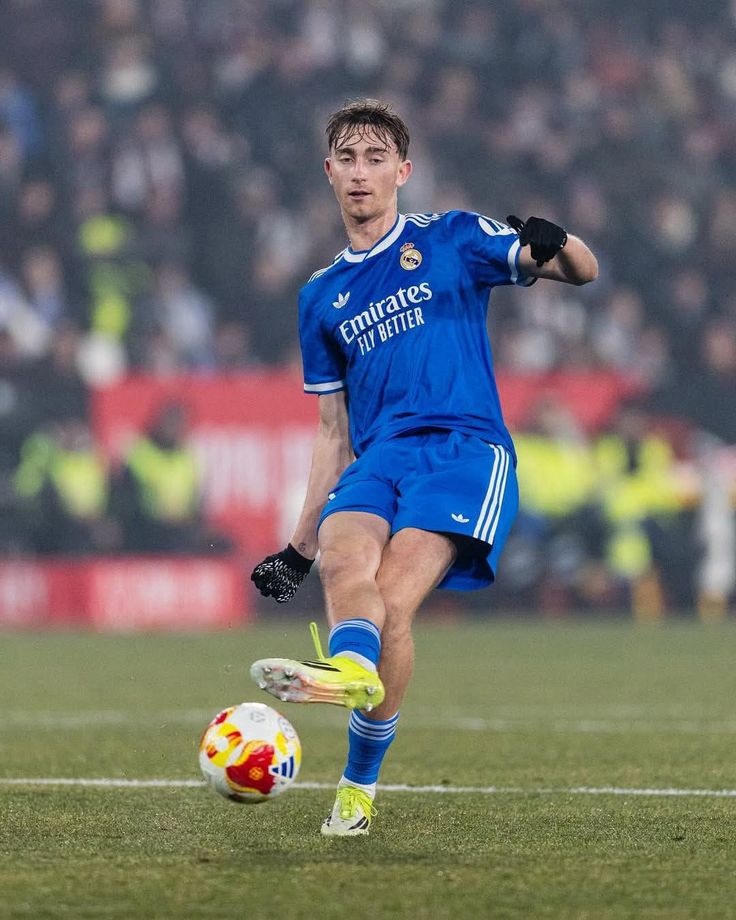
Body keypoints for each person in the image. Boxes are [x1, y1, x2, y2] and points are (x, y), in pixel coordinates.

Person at [249, 99, 598, 836]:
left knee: (392, 598)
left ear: (403, 171)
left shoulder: (452, 238)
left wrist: (556, 239)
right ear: (328, 172)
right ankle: (348, 670)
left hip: (464, 451)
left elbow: (583, 271)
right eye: (347, 158)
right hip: (379, 458)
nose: (360, 173)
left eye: (377, 159)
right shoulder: (320, 297)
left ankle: (357, 785)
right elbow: (329, 430)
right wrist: (297, 545)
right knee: (343, 569)